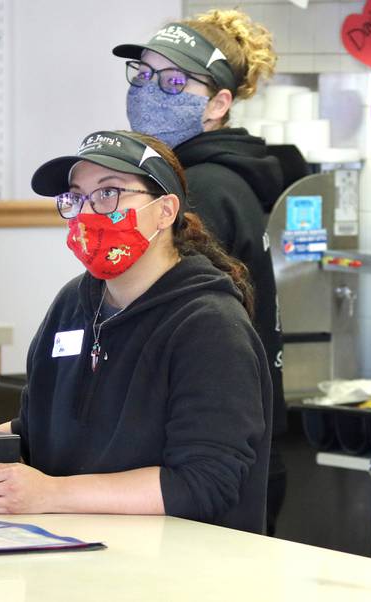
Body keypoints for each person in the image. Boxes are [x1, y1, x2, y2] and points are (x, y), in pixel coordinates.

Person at [0, 129, 272, 534]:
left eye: (109, 193)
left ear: (165, 211)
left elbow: (204, 483)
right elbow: (38, 428)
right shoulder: (74, 303)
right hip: (77, 553)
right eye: (76, 197)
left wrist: (51, 494)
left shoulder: (210, 325)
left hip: (181, 571)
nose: (89, 212)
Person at [112, 9, 289, 535]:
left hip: (208, 463)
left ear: (218, 103)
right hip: (238, 448)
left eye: (172, 81)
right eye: (141, 75)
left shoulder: (203, 189)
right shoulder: (210, 177)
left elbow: (170, 321)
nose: (148, 92)